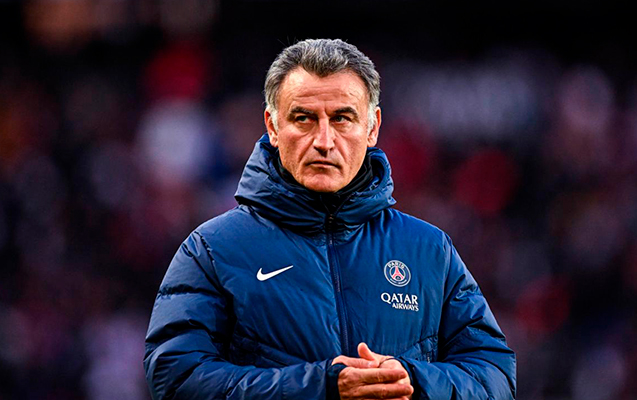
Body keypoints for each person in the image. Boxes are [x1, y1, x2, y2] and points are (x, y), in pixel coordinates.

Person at [144, 38, 516, 400]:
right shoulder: (213, 250)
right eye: (303, 119)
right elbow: (176, 378)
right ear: (273, 127)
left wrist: (412, 383)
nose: (324, 140)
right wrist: (319, 387)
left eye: (342, 119)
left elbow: (495, 375)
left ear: (372, 128)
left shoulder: (429, 250)